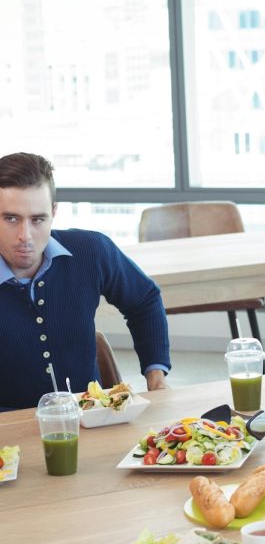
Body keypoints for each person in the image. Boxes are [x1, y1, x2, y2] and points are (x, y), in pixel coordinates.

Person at [0, 152, 171, 411]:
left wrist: (156, 377)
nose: (25, 235)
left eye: (37, 219)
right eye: (11, 219)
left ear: (54, 212)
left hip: (89, 421)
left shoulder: (91, 250)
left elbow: (144, 299)